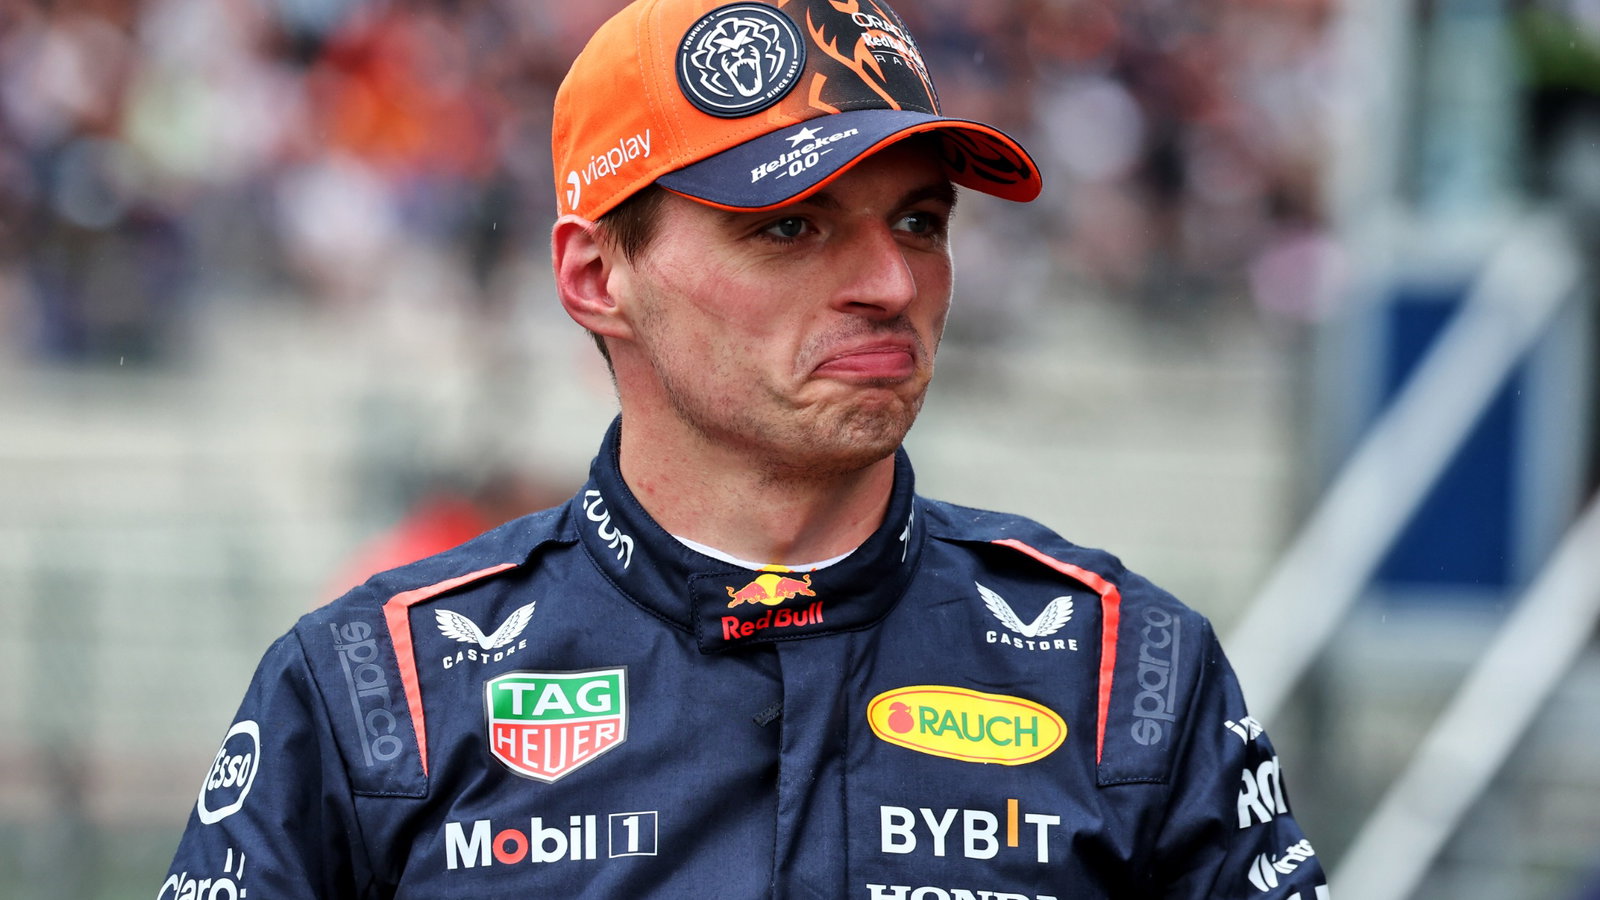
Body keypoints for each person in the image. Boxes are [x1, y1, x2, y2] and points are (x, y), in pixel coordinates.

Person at [161, 1, 1330, 898]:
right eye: (790, 226)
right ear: (594, 275)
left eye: (919, 221)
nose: (889, 284)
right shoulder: (374, 692)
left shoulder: (1130, 674)